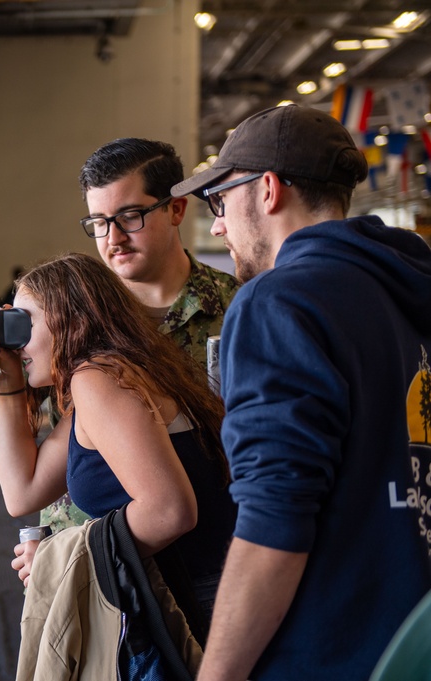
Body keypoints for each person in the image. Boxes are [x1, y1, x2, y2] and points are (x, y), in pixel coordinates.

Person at [170, 103, 431, 680]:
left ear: (266, 190)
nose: (216, 225)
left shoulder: (279, 303)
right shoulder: (407, 293)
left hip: (327, 652)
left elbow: (274, 519)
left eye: (219, 202)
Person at [0, 138, 240, 583]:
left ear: (177, 209)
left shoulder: (240, 307)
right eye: (98, 222)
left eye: (130, 216)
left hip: (183, 563)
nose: (113, 238)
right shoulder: (80, 314)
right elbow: (3, 462)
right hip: (100, 569)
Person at [0, 252, 235, 620]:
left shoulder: (99, 379)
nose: (16, 344)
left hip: (192, 605)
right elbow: (22, 492)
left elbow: (170, 513)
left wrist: (64, 556)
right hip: (192, 589)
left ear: (70, 319)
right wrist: (8, 382)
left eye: (23, 325)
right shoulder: (109, 373)